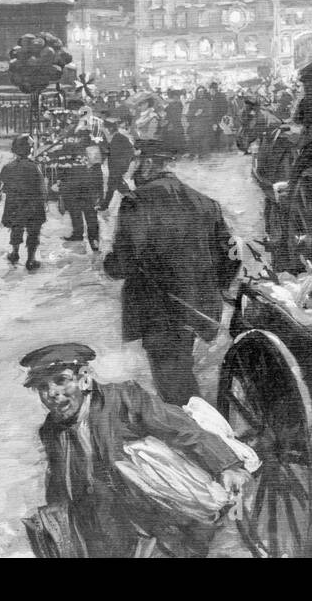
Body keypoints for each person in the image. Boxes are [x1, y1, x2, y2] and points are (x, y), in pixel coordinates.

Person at [22, 343, 250, 558]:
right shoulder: (51, 431)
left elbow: (180, 427)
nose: (52, 393)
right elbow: (61, 483)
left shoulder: (122, 398)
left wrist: (226, 465)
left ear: (84, 378)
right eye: (43, 387)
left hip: (158, 511)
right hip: (108, 527)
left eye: (62, 380)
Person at [103, 140, 240, 405]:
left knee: (175, 387)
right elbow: (230, 256)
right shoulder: (205, 203)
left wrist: (108, 263)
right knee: (179, 367)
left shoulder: (136, 202)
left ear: (150, 163)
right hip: (196, 305)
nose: (131, 172)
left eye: (136, 164)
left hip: (158, 308)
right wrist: (213, 285)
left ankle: (201, 434)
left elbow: (125, 262)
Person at [0, 134, 47, 270]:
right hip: (33, 206)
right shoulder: (34, 167)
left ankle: (14, 253)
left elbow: (4, 187)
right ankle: (31, 260)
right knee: (33, 232)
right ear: (29, 150)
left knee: (16, 229)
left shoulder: (8, 167)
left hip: (15, 205)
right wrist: (44, 202)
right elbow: (41, 188)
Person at [60, 144, 104, 251]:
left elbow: (99, 186)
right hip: (79, 197)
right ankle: (78, 235)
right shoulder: (83, 167)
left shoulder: (97, 170)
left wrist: (99, 199)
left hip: (89, 198)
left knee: (91, 221)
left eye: (88, 155)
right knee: (77, 217)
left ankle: (94, 241)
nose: (86, 157)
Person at [99, 117, 137, 211]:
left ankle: (105, 205)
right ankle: (134, 198)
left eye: (105, 128)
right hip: (116, 165)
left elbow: (128, 151)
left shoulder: (119, 138)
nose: (104, 130)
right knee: (117, 185)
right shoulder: (116, 137)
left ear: (110, 129)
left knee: (112, 184)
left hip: (118, 165)